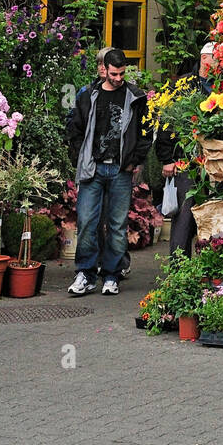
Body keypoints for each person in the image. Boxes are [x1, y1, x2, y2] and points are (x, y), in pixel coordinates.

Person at [66, 47, 151, 296]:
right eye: (114, 74)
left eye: (122, 73)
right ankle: (86, 274)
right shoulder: (88, 96)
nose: (118, 78)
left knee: (116, 225)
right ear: (104, 70)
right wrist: (80, 156)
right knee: (86, 222)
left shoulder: (135, 97)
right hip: (92, 168)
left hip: (120, 169)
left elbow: (146, 131)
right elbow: (75, 128)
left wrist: (134, 160)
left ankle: (112, 275)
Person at [155, 42, 214, 258]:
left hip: (216, 159)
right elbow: (165, 123)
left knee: (213, 214)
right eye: (214, 58)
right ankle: (179, 267)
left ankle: (209, 267)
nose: (217, 63)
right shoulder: (183, 85)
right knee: (184, 215)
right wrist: (166, 159)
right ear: (204, 58)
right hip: (186, 160)